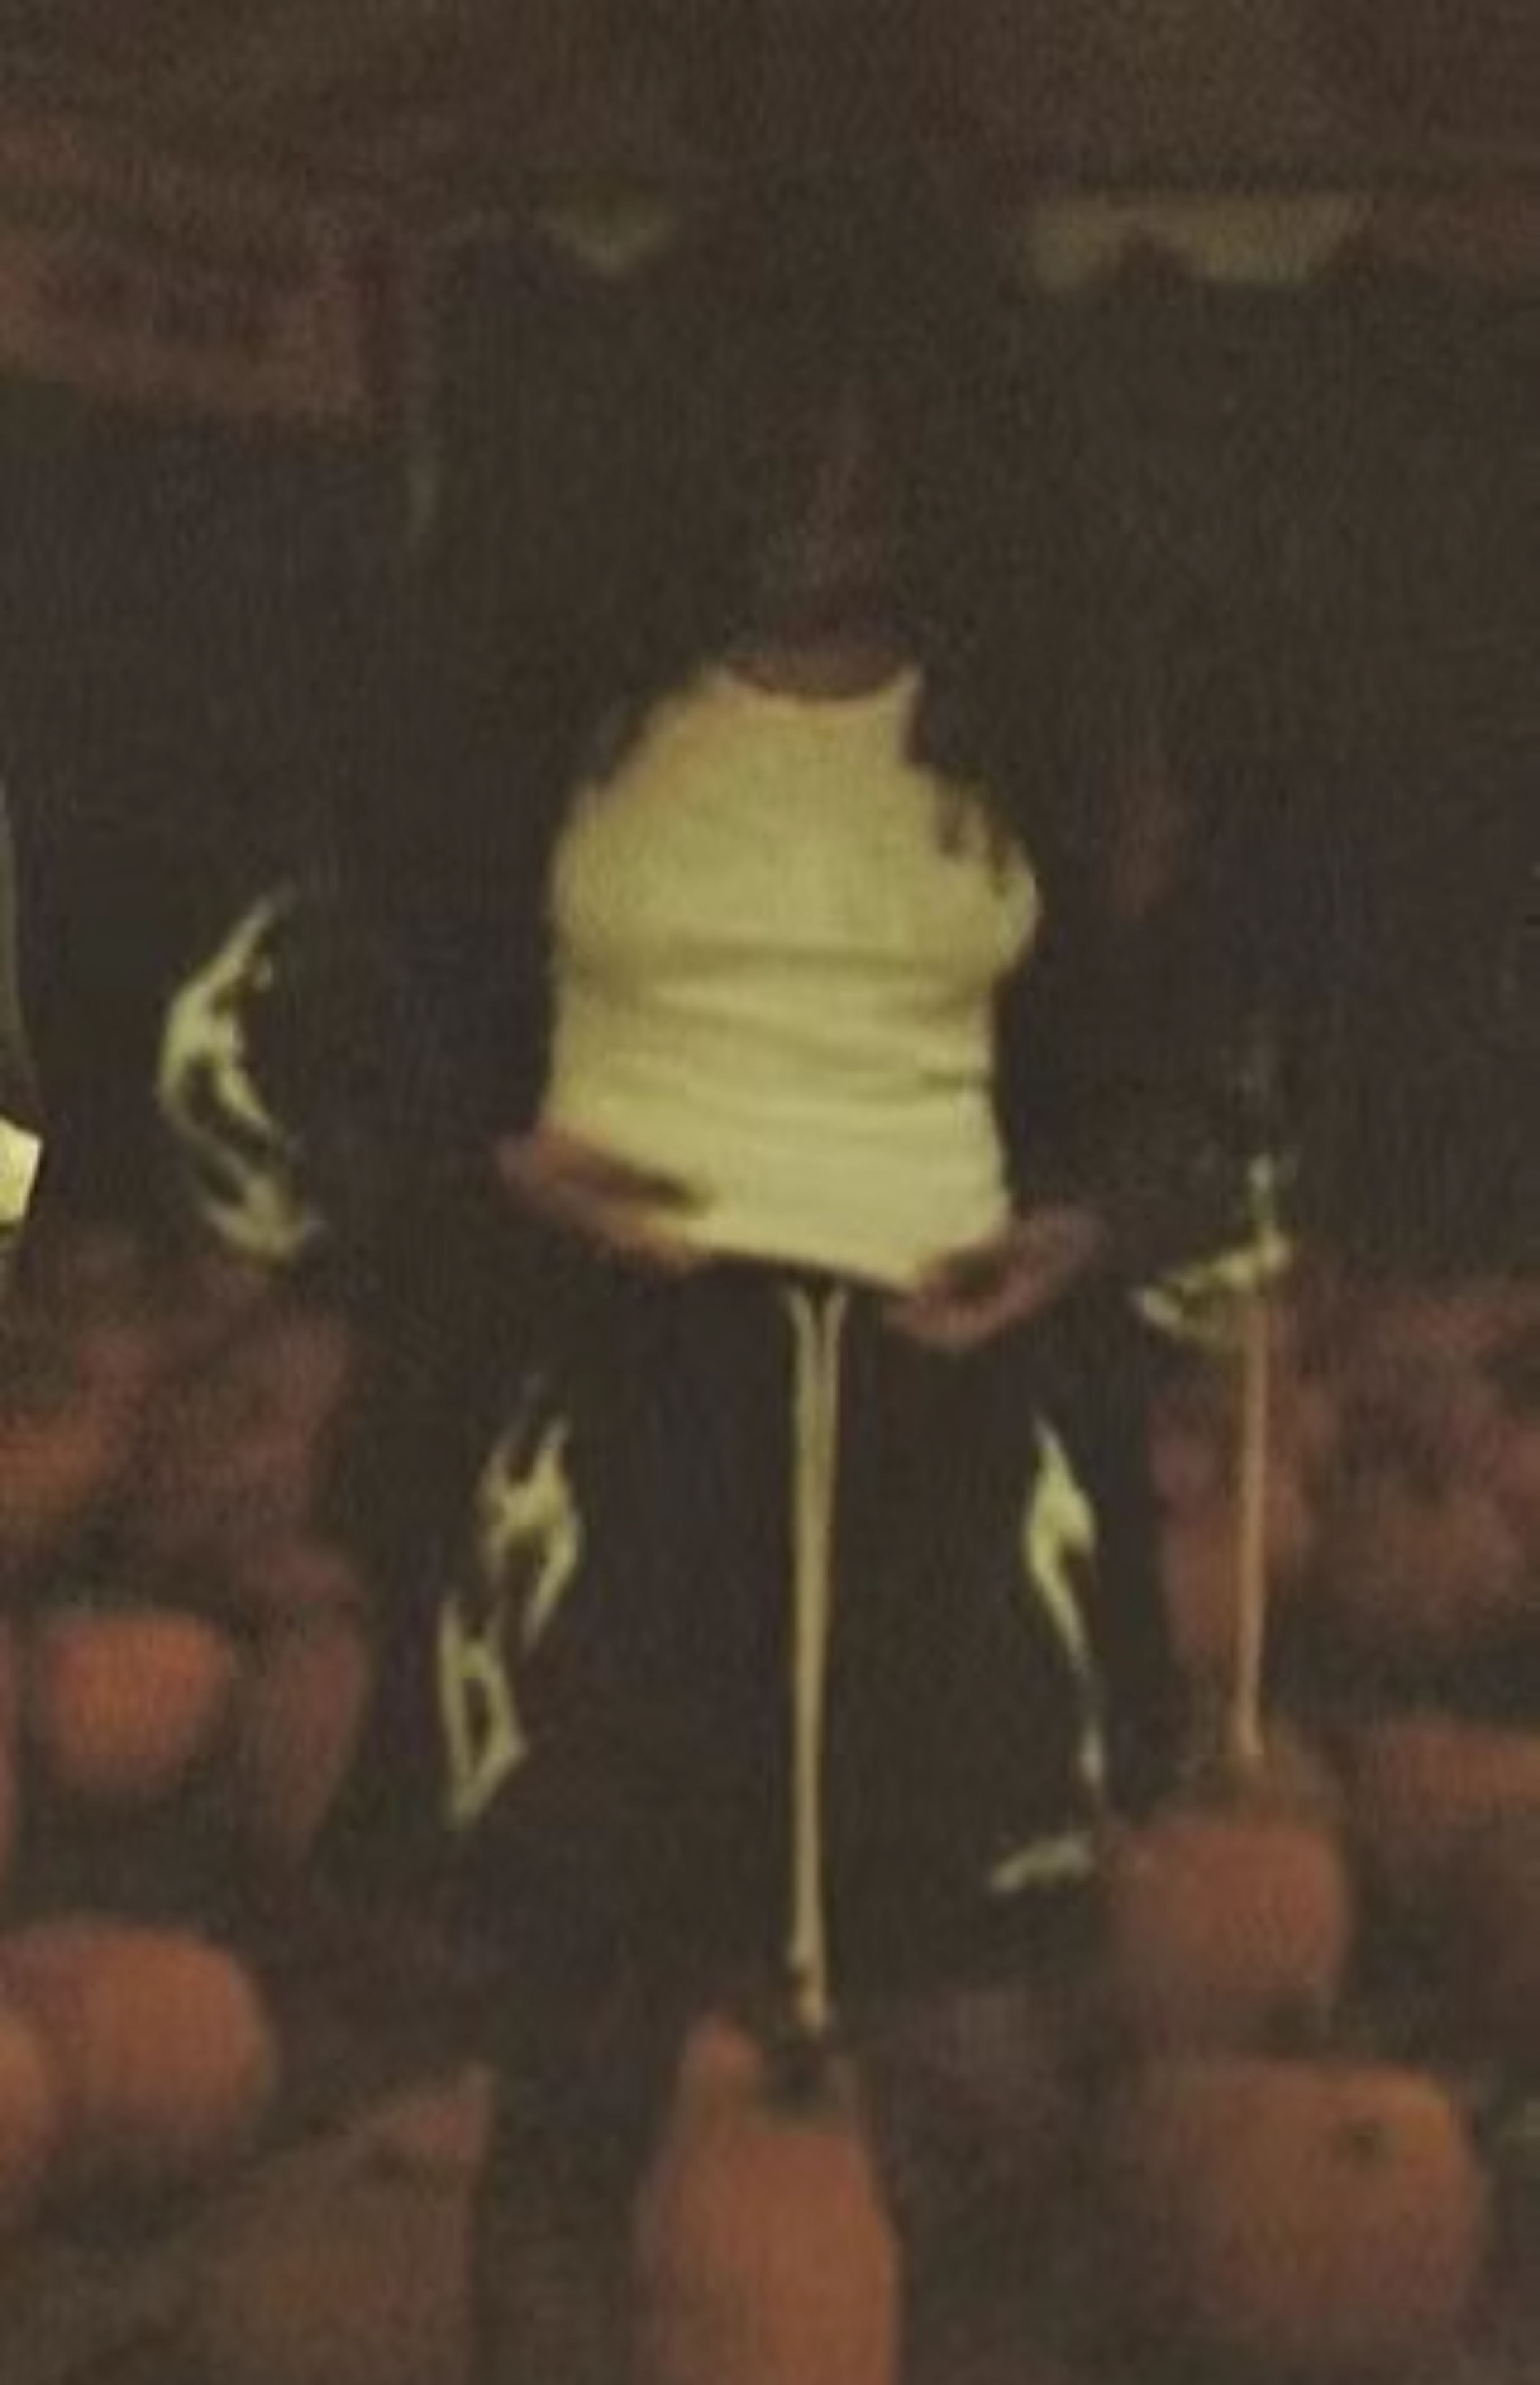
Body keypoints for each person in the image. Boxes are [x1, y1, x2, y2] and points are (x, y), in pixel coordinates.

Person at [145, 183, 1190, 2380]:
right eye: (788, 439)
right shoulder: (563, 713)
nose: (834, 496)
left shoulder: (1037, 728)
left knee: (989, 2098)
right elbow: (276, 1009)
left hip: (940, 1439)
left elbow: (1171, 1070)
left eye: (881, 446)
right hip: (622, 1431)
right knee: (578, 2075)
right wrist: (478, 1163)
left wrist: (1085, 1225)